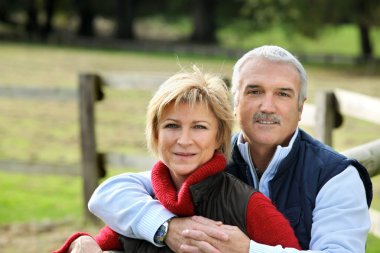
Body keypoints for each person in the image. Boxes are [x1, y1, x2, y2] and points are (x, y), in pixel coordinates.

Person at [89, 46, 373, 253]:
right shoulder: (207, 156)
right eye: (254, 91)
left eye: (283, 94)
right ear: (234, 104)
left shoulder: (337, 176)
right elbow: (110, 194)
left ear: (300, 107)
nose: (267, 106)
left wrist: (248, 250)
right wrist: (166, 228)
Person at [54, 66, 302, 253]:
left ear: (219, 137)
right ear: (155, 134)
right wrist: (82, 242)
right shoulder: (140, 205)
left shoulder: (249, 205)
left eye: (199, 127)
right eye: (172, 125)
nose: (184, 140)